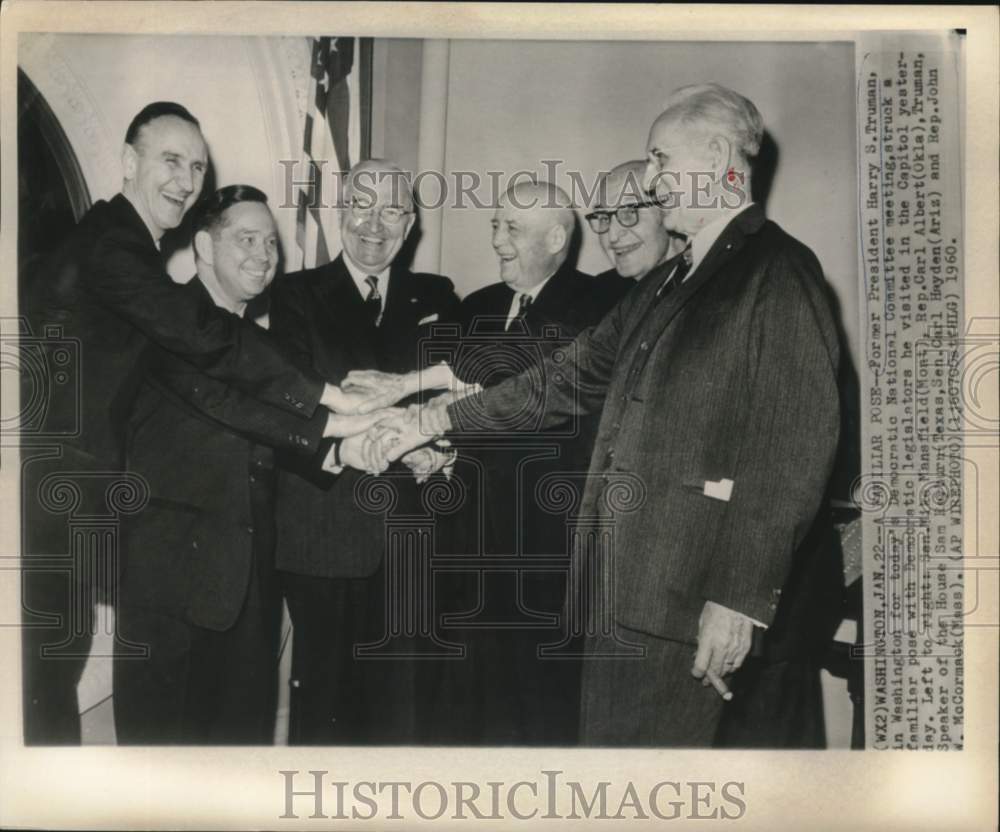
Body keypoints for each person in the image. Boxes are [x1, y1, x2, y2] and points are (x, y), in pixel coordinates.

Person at [359, 83, 843, 747]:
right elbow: (560, 379)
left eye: (661, 160)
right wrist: (431, 422)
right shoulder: (665, 283)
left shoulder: (778, 270)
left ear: (714, 155)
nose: (652, 180)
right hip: (623, 596)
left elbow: (794, 448)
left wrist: (737, 599)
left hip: (691, 602)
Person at [20, 102, 391, 744]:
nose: (187, 179)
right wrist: (329, 400)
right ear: (129, 162)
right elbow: (205, 345)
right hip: (66, 514)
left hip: (71, 513)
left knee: (48, 698)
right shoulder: (114, 247)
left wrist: (329, 430)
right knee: (44, 707)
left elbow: (222, 393)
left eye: (196, 165)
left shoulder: (121, 249)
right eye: (171, 160)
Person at [112, 186, 393, 743]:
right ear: (203, 247)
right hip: (172, 601)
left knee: (240, 774)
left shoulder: (265, 349)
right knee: (160, 787)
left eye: (270, 242)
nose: (264, 254)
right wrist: (336, 423)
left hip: (250, 598)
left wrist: (345, 449)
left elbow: (271, 438)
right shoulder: (167, 322)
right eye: (246, 239)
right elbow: (229, 406)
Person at [269, 158, 461, 745]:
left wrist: (438, 445)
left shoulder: (437, 294)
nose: (374, 224)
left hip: (410, 537)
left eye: (392, 211)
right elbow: (298, 401)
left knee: (402, 713)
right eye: (362, 206)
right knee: (326, 709)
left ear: (410, 225)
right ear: (339, 212)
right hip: (325, 532)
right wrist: (409, 426)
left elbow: (453, 392)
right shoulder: (295, 295)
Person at [427, 180, 618, 745]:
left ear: (557, 237)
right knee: (465, 707)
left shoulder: (598, 305)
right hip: (466, 541)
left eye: (512, 228)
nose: (497, 241)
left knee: (538, 712)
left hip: (543, 549)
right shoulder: (476, 306)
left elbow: (525, 391)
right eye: (495, 225)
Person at [586, 159, 686, 310]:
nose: (612, 236)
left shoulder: (712, 285)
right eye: (603, 217)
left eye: (629, 212)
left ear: (667, 210)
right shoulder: (600, 294)